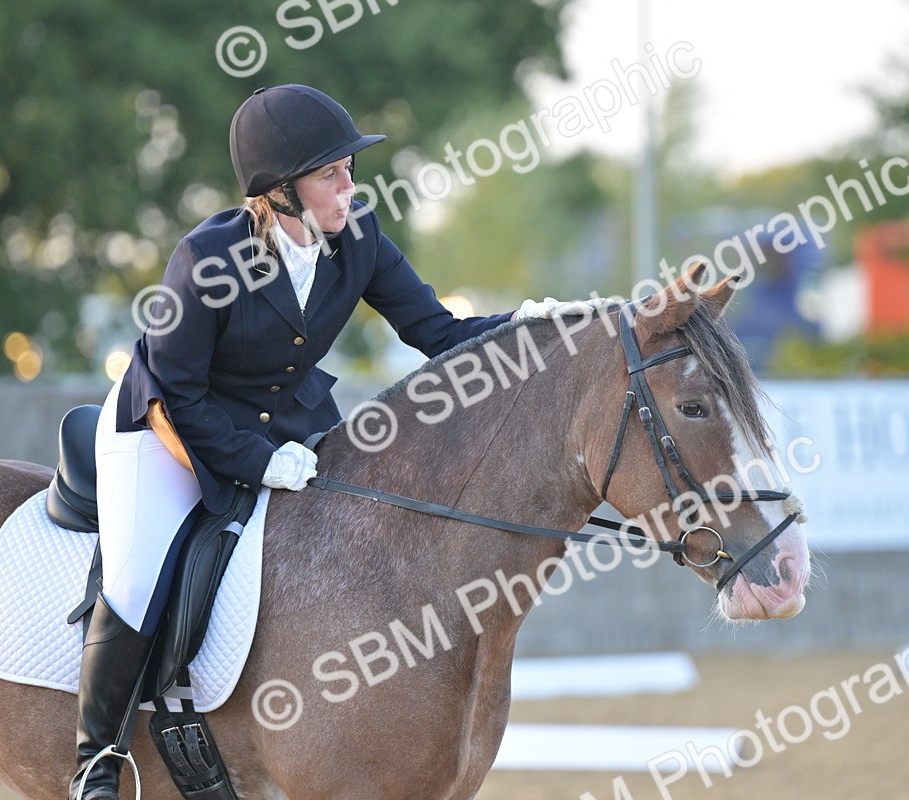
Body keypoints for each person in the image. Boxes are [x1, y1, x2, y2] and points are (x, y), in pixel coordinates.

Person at [71, 83, 610, 800]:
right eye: (333, 173)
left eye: (349, 171)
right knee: (138, 579)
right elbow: (180, 395)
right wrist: (258, 463)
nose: (350, 186)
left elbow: (440, 335)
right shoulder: (208, 258)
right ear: (283, 190)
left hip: (287, 423)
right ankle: (95, 763)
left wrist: (541, 327)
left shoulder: (357, 237)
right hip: (167, 430)